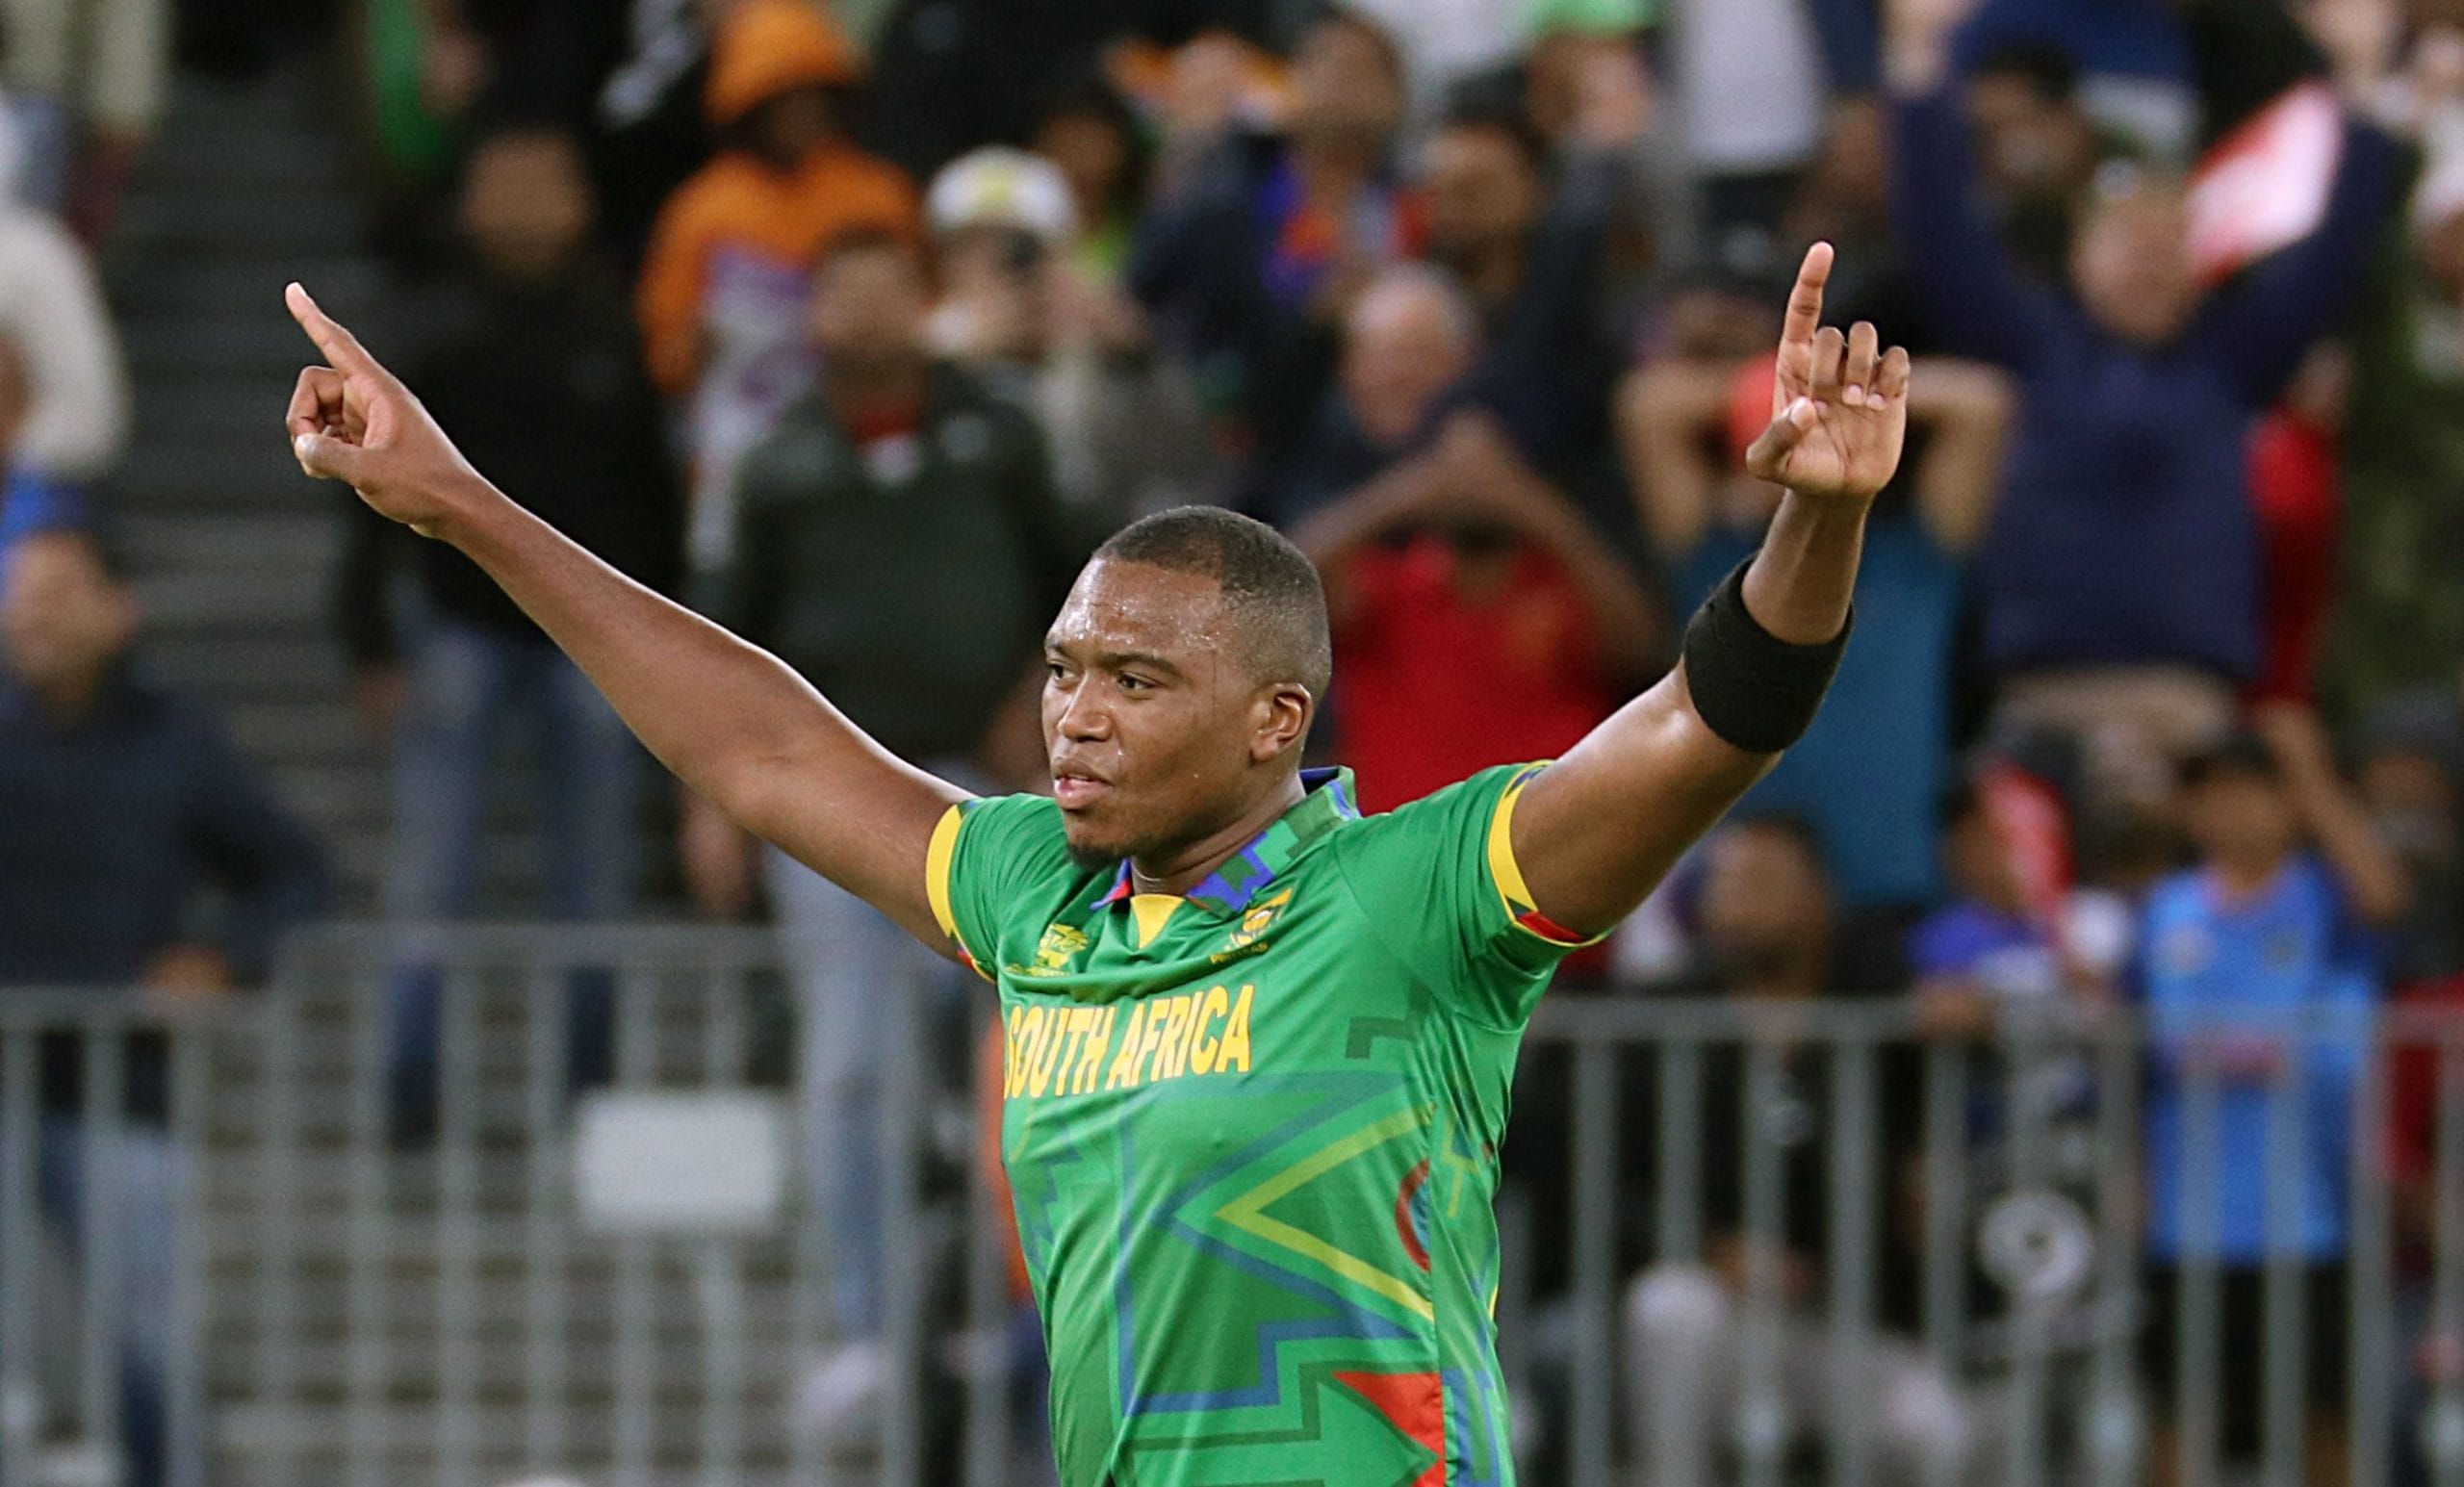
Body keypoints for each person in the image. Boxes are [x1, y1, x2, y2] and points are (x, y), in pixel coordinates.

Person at [278, 236, 1910, 1483]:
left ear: (1278, 719)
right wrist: (462, 507)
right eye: (1065, 670)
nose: (1077, 717)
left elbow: (1707, 722)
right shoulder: (1028, 893)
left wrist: (1816, 521)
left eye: (1136, 681)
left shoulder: (1420, 899)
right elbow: (763, 749)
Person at [681, 229, 1079, 1433]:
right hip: (835, 803)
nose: (865, 312)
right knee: (852, 1068)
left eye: (885, 288)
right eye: (839, 290)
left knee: (1046, 1061)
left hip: (1010, 790)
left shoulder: (1000, 431)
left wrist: (1046, 704)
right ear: (813, 316)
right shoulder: (778, 454)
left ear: (925, 303)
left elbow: (1085, 583)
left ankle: (1044, 1318)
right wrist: (713, 800)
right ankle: (868, 1323)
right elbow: (724, 637)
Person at [1884, 0, 2404, 788]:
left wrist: (2360, 82)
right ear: (2080, 255)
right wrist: (1917, 59)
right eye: (2130, 242)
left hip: (2189, 717)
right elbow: (1939, 235)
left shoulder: (2234, 361)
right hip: (2039, 708)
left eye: (2173, 247)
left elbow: (2338, 250)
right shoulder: (2030, 348)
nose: (2153, 265)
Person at [333, 125, 681, 1141]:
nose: (527, 205)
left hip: (594, 642)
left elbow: (651, 502)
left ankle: (590, 1097)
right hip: (457, 629)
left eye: (547, 183)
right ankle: (406, 1097)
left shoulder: (620, 332)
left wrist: (664, 643)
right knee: (429, 873)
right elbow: (364, 488)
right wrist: (369, 640)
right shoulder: (430, 331)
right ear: (470, 202)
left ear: (580, 202)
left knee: (596, 880)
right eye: (506, 184)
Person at [0, 525, 330, 1487]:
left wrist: (226, 959)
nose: (35, 609)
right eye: (22, 589)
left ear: (118, 610)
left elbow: (295, 871)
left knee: (147, 1334)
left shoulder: (175, 739)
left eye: (61, 589)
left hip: (120, 1091)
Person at [1623, 816, 1959, 1485]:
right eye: (1724, 882)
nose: (1737, 903)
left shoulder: (1876, 1016)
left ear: (1818, 899)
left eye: (1762, 883)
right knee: (1670, 1306)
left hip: (1837, 1322)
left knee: (1933, 1427)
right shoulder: (1665, 1016)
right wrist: (1712, 1248)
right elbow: (1614, 1187)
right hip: (1719, 1314)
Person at [1624, 348, 2013, 911]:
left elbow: (1980, 403)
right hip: (1742, 899)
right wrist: (1776, 401)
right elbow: (1647, 406)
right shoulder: (1714, 559)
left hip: (1887, 889)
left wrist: (1842, 401)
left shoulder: (1913, 560)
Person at [2138, 705, 2411, 1484]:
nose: (2230, 807)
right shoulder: (2167, 908)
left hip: (2306, 1217)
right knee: (2179, 1417)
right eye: (2211, 791)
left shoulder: (2324, 896)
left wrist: (2315, 775)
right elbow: (2145, 1049)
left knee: (2323, 1419)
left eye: (2252, 789)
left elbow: (2388, 898)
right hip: (2189, 1221)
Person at [1285, 268, 1655, 814]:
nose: (1397, 377)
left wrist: (1528, 501)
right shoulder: (1390, 580)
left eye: (1418, 355)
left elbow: (1641, 654)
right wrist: (1419, 484)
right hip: (1402, 874)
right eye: (1377, 357)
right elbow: (1278, 589)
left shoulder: (1561, 575)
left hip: (1549, 871)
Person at [632, 0, 919, 569]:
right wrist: (692, 348)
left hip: (866, 438)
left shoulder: (878, 193)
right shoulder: (703, 209)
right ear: (747, 106)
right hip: (737, 449)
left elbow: (922, 312)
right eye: (781, 101)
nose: (801, 116)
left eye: (814, 98)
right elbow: (665, 348)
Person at [1129, 9, 1419, 484]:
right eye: (1329, 64)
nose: (1346, 84)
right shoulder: (1230, 188)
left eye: (1367, 70)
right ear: (1293, 81)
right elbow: (1149, 293)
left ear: (1399, 98)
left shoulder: (1415, 203)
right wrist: (1306, 320)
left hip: (1385, 432)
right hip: (1246, 429)